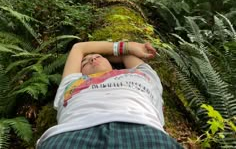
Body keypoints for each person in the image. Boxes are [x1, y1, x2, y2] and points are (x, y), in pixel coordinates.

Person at [37, 41, 183, 148]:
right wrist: (127, 46)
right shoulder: (73, 81)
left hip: (143, 129)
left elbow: (128, 55)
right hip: (73, 132)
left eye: (98, 56)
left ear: (111, 62)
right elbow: (78, 48)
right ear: (80, 71)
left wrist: (123, 51)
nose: (92, 59)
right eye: (85, 62)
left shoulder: (141, 74)